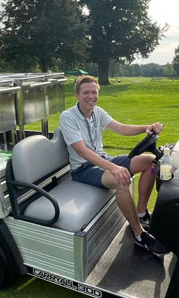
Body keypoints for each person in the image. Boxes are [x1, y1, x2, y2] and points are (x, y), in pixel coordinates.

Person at [58, 75, 169, 258]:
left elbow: (121, 128)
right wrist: (113, 168)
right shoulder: (68, 117)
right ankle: (139, 234)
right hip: (84, 169)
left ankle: (141, 212)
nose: (91, 96)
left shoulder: (97, 112)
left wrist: (145, 128)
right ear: (77, 95)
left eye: (94, 92)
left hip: (103, 159)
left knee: (151, 163)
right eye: (86, 92)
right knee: (121, 179)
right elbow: (82, 151)